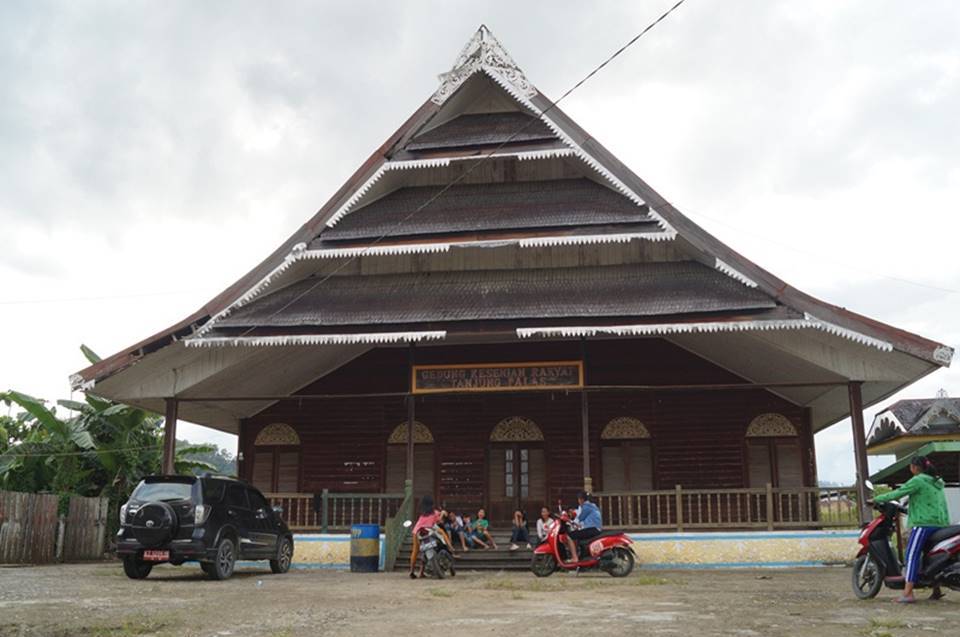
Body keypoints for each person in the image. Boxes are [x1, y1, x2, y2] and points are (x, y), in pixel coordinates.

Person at [873, 455, 950, 603]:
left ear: (914, 467)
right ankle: (936, 590)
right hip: (941, 523)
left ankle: (908, 593)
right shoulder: (936, 482)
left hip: (924, 523)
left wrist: (876, 499)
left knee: (911, 555)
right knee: (930, 556)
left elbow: (897, 493)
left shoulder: (918, 480)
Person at [409, 495, 452, 579]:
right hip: (429, 531)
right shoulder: (435, 512)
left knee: (415, 552)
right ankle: (450, 547)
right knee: (441, 533)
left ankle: (412, 571)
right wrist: (443, 513)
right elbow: (439, 521)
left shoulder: (422, 514)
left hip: (417, 532)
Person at [564, 491, 602, 564]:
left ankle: (574, 558)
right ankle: (580, 555)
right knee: (576, 534)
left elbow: (580, 518)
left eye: (579, 499)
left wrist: (569, 520)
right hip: (594, 528)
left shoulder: (586, 506)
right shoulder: (592, 505)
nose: (578, 501)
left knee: (569, 536)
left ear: (581, 499)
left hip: (592, 529)